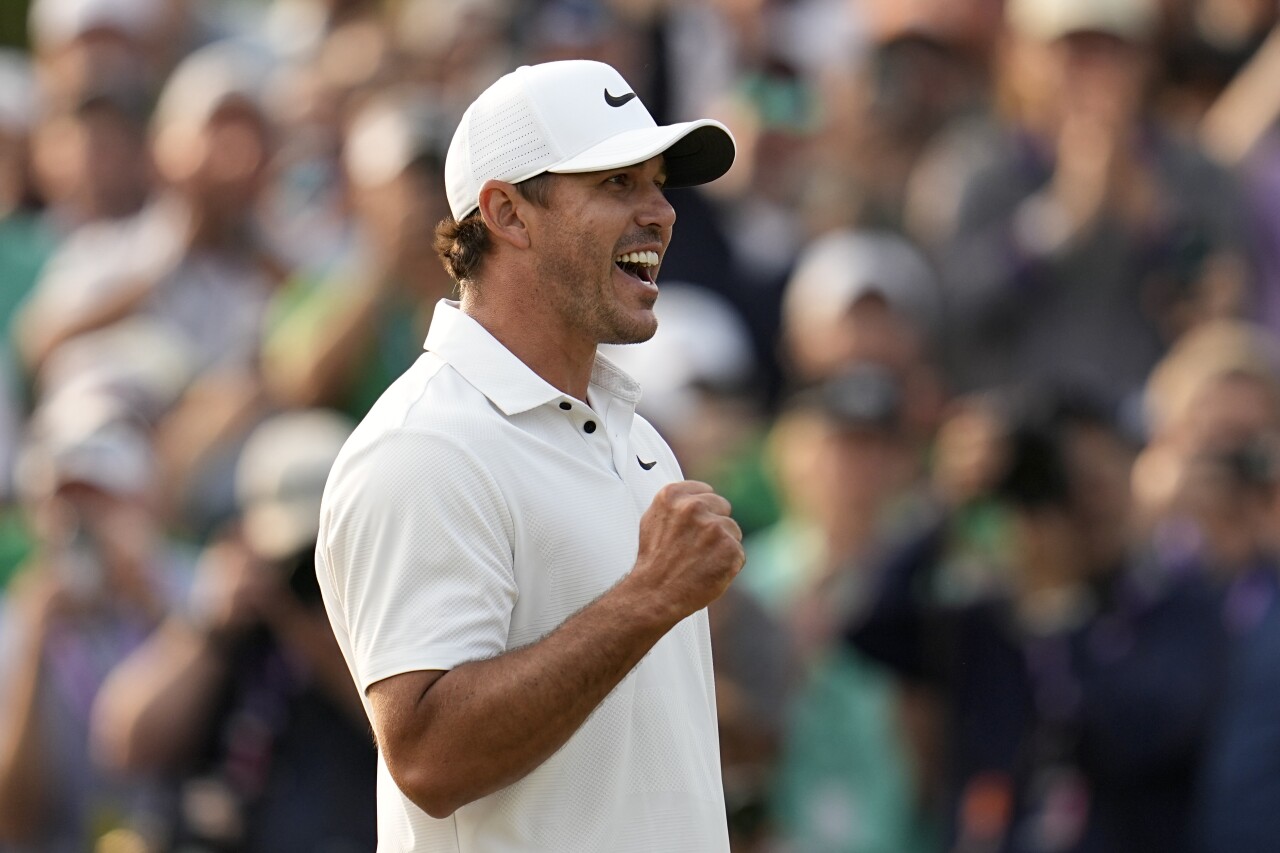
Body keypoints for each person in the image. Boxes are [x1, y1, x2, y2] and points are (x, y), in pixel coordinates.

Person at [315, 59, 743, 851]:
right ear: (508, 213)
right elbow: (429, 755)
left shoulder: (641, 441)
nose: (662, 214)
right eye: (617, 184)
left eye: (657, 183)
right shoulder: (422, 446)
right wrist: (647, 596)